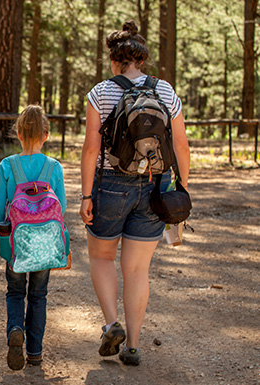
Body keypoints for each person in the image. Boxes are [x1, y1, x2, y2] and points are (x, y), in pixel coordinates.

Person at [80, 21, 190, 366]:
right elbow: (182, 144)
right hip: (156, 187)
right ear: (141, 59)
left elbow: (90, 149)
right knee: (138, 271)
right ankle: (133, 346)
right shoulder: (166, 92)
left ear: (114, 59)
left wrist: (86, 196)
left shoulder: (101, 92)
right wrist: (182, 187)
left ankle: (112, 325)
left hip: (111, 184)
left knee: (101, 258)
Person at [0, 105, 67, 370]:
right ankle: (34, 352)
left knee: (15, 290)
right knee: (38, 295)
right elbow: (63, 206)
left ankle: (15, 329)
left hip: (16, 242)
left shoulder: (8, 165)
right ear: (46, 135)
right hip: (45, 244)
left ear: (18, 133)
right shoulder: (53, 166)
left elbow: (1, 205)